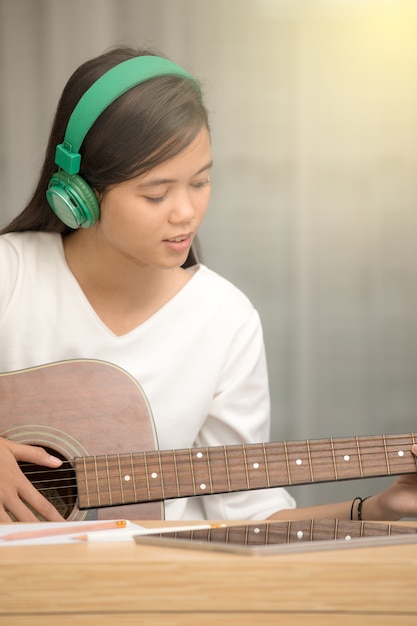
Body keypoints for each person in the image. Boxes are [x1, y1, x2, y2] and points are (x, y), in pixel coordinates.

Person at [0, 45, 416, 524]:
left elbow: (248, 517)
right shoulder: (12, 275)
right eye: (156, 193)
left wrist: (378, 509)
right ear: (80, 193)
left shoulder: (225, 320)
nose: (186, 212)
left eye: (200, 182)